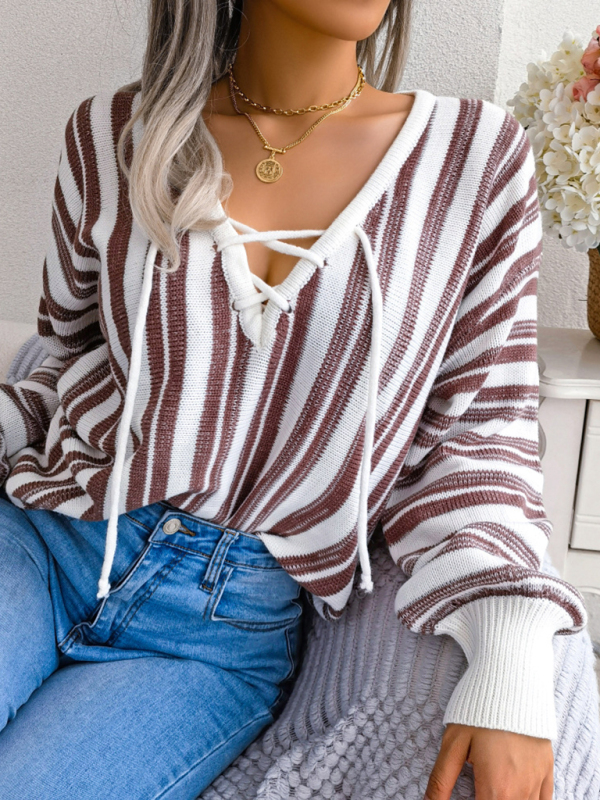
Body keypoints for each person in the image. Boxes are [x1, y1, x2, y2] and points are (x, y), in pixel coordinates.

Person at [0, 0, 593, 798]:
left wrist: (511, 665)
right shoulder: (110, 134)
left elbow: (483, 433)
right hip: (46, 541)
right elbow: (66, 361)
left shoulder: (475, 157)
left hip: (215, 633)